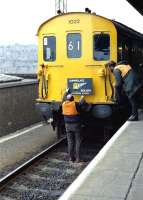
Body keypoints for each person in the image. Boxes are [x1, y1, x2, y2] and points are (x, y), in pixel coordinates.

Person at [62, 90, 85, 163]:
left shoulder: (64, 104)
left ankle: (71, 158)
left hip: (67, 126)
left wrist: (66, 92)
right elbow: (81, 103)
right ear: (73, 99)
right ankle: (78, 159)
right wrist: (82, 97)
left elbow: (63, 98)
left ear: (67, 99)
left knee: (70, 142)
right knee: (78, 141)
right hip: (76, 125)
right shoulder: (75, 104)